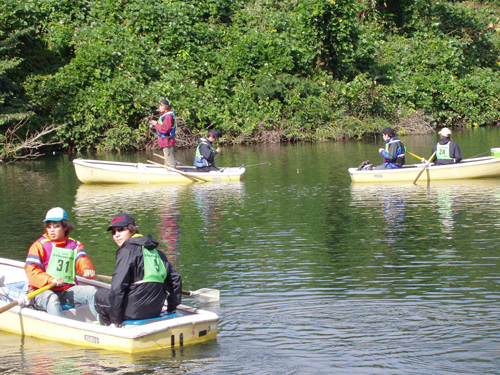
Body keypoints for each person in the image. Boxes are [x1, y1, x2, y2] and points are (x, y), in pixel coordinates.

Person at [94, 213, 182, 327]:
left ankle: (110, 328)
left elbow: (117, 288)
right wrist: (171, 309)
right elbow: (176, 281)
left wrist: (116, 320)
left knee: (99, 295)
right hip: (155, 309)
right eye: (113, 232)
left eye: (120, 230)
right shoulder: (157, 252)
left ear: (132, 229)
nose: (116, 235)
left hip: (134, 312)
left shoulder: (127, 251)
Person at [24, 207, 98, 319]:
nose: (51, 230)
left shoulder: (75, 245)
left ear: (65, 226)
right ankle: (62, 328)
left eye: (56, 226)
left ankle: (105, 325)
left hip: (65, 290)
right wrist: (50, 280)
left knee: (92, 292)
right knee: (52, 299)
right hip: (41, 291)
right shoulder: (38, 246)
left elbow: (82, 260)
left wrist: (86, 270)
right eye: (49, 226)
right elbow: (32, 272)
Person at [150, 99, 176, 167]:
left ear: (166, 107)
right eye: (159, 106)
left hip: (167, 141)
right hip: (165, 141)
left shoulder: (168, 116)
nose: (160, 108)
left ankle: (172, 172)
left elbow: (165, 129)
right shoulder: (165, 115)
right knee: (167, 160)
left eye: (161, 106)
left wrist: (156, 124)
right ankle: (168, 170)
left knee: (170, 162)